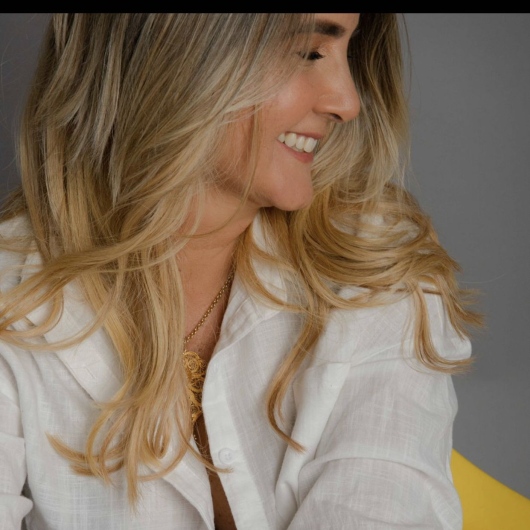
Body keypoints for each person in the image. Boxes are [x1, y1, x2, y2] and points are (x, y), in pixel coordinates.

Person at [0, 13, 481, 530]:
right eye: (309, 52)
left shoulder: (374, 267)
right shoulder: (13, 291)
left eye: (349, 54)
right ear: (178, 50)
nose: (347, 102)